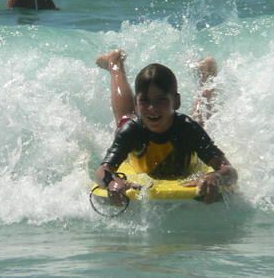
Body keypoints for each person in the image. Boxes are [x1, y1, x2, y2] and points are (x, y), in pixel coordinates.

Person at [94, 50, 237, 205]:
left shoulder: (188, 129)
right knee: (125, 118)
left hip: (182, 129)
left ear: (176, 102)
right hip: (135, 132)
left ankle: (206, 74)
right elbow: (103, 170)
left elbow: (230, 171)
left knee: (199, 119)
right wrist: (111, 182)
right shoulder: (131, 130)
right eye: (144, 101)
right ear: (137, 102)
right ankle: (115, 63)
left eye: (160, 100)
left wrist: (215, 177)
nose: (152, 108)